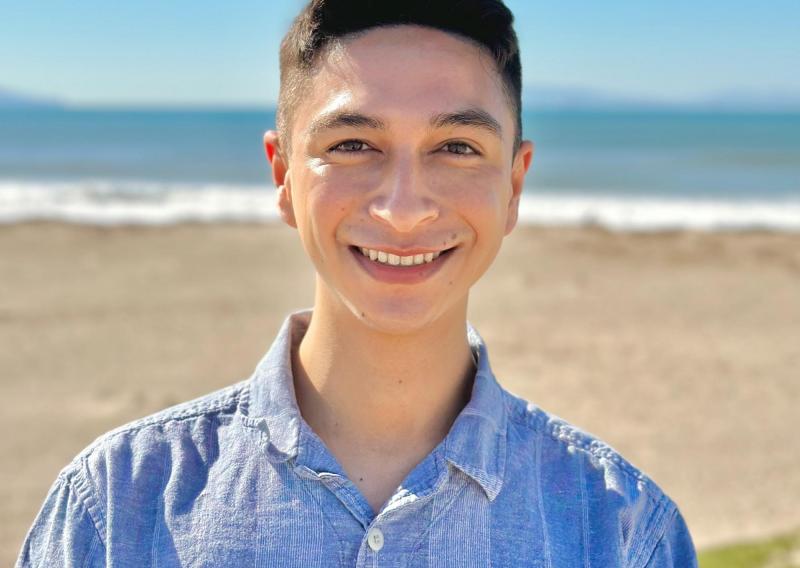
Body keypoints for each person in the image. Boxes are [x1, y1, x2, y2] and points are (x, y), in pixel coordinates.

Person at [17, 1, 698, 566]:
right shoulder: (113, 509)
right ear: (282, 176)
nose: (403, 209)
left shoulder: (622, 531)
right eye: (353, 145)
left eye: (457, 148)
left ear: (514, 185)